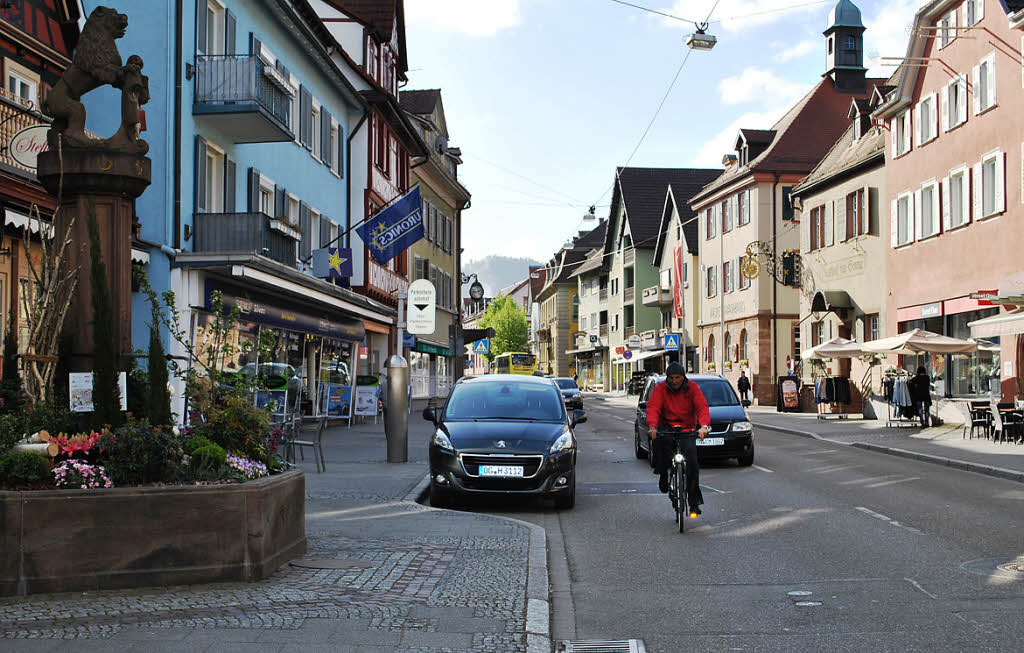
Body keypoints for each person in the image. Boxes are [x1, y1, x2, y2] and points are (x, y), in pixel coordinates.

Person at [646, 362, 711, 516]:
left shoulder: (692, 388)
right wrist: (653, 426)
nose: (674, 381)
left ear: (683, 377)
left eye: (678, 378)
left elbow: (702, 407)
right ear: (667, 378)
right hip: (666, 426)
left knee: (693, 464)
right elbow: (653, 407)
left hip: (686, 428)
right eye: (671, 378)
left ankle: (694, 503)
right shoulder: (660, 388)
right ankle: (663, 474)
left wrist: (703, 426)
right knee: (660, 443)